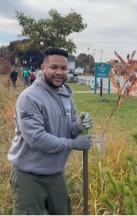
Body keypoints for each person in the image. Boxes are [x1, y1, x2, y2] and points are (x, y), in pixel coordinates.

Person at [8, 48, 93, 214]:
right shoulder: (30, 98)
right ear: (43, 68)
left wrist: (79, 125)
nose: (59, 72)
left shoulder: (66, 96)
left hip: (55, 173)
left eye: (63, 68)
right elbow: (36, 138)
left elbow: (68, 129)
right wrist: (73, 144)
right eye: (54, 67)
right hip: (29, 175)